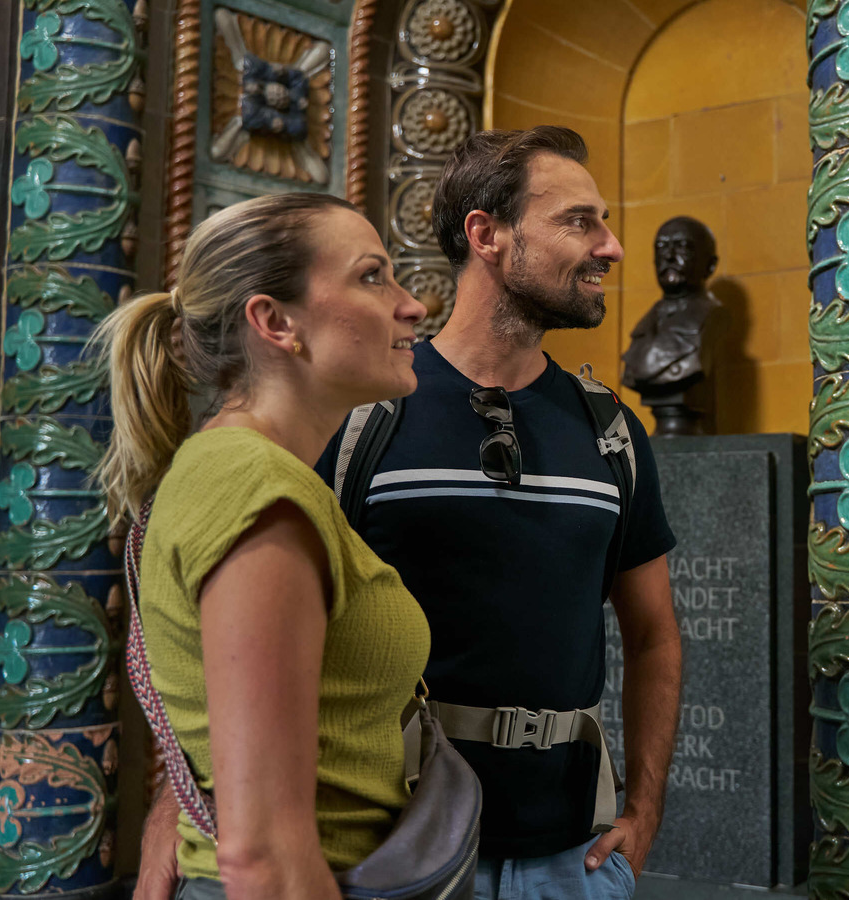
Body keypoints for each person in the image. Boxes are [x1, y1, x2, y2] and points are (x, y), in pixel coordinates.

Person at [320, 126, 681, 898]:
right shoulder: (363, 418)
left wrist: (646, 811)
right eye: (579, 221)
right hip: (395, 848)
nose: (611, 247)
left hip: (574, 861)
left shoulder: (612, 431)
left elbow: (654, 634)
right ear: (487, 234)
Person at [115, 193, 430, 899]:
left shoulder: (257, 473)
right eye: (372, 277)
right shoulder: (255, 488)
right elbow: (265, 857)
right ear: (276, 322)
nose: (411, 305)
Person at [619, 216, 723, 435]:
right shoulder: (646, 322)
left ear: (710, 265)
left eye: (682, 246)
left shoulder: (712, 317)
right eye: (661, 247)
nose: (669, 255)